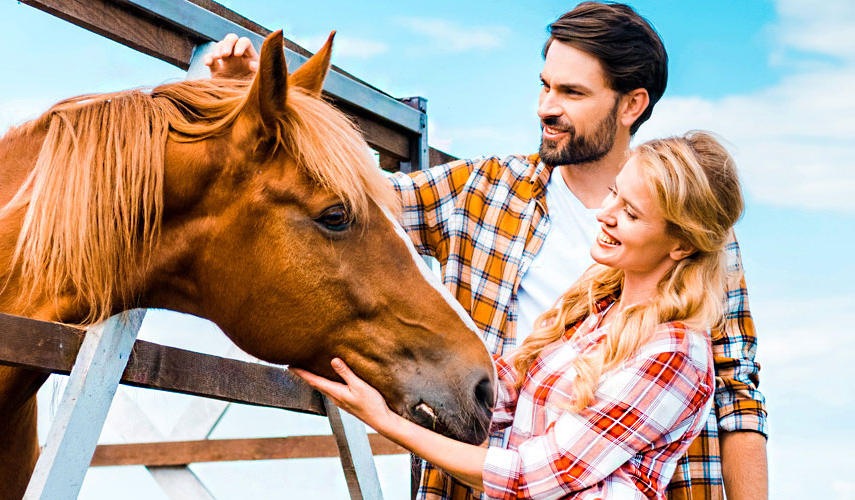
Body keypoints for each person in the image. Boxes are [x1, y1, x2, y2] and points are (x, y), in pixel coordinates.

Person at [204, 3, 767, 499]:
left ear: (630, 105)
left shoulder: (700, 240)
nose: (547, 107)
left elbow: (738, 394)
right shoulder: (485, 188)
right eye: (545, 85)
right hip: (476, 480)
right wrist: (255, 109)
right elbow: (339, 202)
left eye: (572, 93)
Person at [295, 131, 740, 500]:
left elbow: (531, 477)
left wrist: (386, 422)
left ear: (681, 244)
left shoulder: (675, 351)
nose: (605, 215)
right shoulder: (592, 312)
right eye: (613, 195)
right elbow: (496, 400)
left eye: (630, 213)